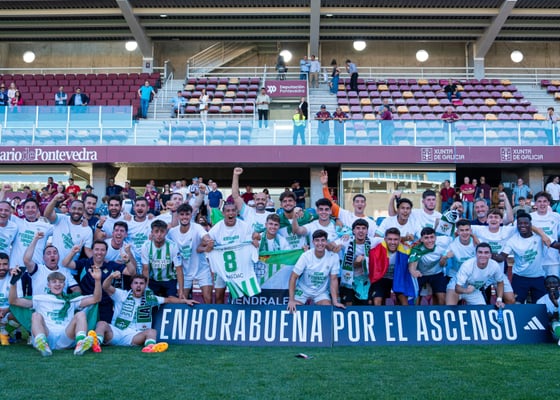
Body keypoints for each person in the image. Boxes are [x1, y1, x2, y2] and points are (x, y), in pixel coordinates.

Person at [92, 271, 197, 353]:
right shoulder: (122, 295)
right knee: (101, 324)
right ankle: (96, 343)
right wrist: (111, 276)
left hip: (134, 336)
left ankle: (150, 348)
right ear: (131, 285)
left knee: (152, 332)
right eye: (136, 283)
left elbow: (169, 300)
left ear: (145, 285)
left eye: (141, 283)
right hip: (117, 332)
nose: (138, 286)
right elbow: (105, 286)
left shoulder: (150, 299)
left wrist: (185, 301)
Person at [9, 267, 102, 356]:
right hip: (47, 335)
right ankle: (42, 344)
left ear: (64, 285)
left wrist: (97, 280)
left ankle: (80, 343)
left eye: (61, 282)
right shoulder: (40, 299)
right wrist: (14, 282)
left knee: (81, 314)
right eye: (54, 282)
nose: (58, 284)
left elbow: (96, 299)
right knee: (36, 315)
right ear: (48, 285)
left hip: (66, 336)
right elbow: (14, 301)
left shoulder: (71, 300)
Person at [63, 239, 136, 322]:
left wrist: (127, 260)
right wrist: (73, 252)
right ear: (92, 251)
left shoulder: (110, 265)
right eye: (97, 249)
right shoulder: (85, 263)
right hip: (87, 303)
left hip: (104, 305)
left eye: (102, 250)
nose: (99, 252)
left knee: (103, 327)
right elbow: (65, 263)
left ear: (106, 252)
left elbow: (131, 272)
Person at [495, 212, 560, 303]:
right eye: (520, 223)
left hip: (538, 277)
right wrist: (490, 255)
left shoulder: (540, 236)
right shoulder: (512, 241)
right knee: (517, 304)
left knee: (541, 305)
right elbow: (502, 257)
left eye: (526, 223)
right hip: (520, 277)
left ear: (531, 224)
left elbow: (556, 245)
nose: (523, 225)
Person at [199, 202, 258, 303]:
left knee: (242, 295)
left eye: (233, 210)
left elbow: (253, 242)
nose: (231, 213)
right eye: (228, 211)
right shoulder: (217, 229)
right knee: (219, 295)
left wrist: (255, 241)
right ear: (223, 213)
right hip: (222, 268)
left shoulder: (245, 227)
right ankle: (220, 312)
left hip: (240, 267)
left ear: (237, 212)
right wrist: (209, 246)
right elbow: (201, 247)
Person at [287, 230, 345, 313]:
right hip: (303, 290)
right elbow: (293, 277)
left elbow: (334, 279)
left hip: (321, 292)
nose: (320, 243)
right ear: (313, 242)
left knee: (327, 309)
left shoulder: (334, 257)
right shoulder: (306, 256)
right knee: (294, 309)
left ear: (326, 242)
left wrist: (335, 301)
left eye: (323, 240)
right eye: (317, 240)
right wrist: (291, 300)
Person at [167, 204, 212, 304]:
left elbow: (205, 236)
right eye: (182, 214)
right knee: (182, 300)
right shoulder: (172, 232)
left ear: (191, 215)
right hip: (183, 271)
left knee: (208, 298)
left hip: (201, 269)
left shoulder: (197, 227)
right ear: (178, 216)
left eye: (187, 214)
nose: (184, 217)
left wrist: (208, 240)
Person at [321, 170, 377, 238]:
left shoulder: (371, 223)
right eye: (357, 201)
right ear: (353, 204)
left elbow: (375, 240)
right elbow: (330, 204)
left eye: (362, 202)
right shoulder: (345, 215)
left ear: (365, 205)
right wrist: (325, 186)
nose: (360, 204)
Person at [408, 227, 451, 305]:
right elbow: (412, 265)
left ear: (436, 237)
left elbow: (455, 239)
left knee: (442, 299)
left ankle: (440, 312)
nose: (430, 240)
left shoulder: (444, 241)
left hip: (437, 273)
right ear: (421, 239)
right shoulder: (417, 249)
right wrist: (413, 271)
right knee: (415, 298)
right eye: (426, 238)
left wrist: (445, 257)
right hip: (421, 274)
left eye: (432, 237)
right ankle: (415, 311)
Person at [141, 219, 183, 298]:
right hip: (153, 280)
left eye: (162, 231)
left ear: (166, 232)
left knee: (173, 301)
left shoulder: (173, 246)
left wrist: (181, 291)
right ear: (152, 233)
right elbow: (145, 270)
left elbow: (179, 269)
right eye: (156, 231)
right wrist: (146, 289)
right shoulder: (146, 246)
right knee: (151, 301)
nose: (159, 234)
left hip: (169, 280)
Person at [531, 191, 560, 277]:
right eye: (539, 201)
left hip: (553, 261)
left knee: (554, 283)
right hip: (535, 261)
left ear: (548, 203)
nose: (542, 204)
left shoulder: (556, 217)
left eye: (545, 201)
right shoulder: (530, 217)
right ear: (535, 203)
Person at [536, 275, 560, 345]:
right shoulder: (541, 301)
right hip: (555, 327)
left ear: (559, 285)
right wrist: (555, 306)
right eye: (549, 283)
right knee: (555, 323)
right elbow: (552, 319)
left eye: (554, 283)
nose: (552, 285)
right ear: (545, 286)